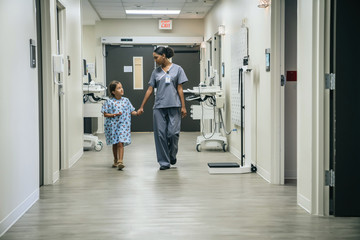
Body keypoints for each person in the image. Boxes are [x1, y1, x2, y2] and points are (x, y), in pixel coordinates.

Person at [137, 46, 188, 170]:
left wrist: (183, 106)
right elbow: (150, 89)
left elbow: (180, 88)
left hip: (174, 106)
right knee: (160, 135)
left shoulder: (178, 69)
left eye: (156, 57)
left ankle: (172, 155)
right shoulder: (156, 72)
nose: (155, 60)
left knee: (173, 133)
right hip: (159, 107)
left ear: (164, 56)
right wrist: (142, 106)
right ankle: (164, 162)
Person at [101, 81, 138, 170]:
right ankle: (115, 159)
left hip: (123, 126)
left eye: (121, 87)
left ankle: (120, 161)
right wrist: (115, 114)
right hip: (113, 126)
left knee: (121, 143)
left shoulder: (126, 100)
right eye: (118, 88)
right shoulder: (109, 102)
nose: (121, 89)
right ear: (113, 92)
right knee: (115, 144)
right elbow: (105, 114)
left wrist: (137, 113)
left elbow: (131, 111)